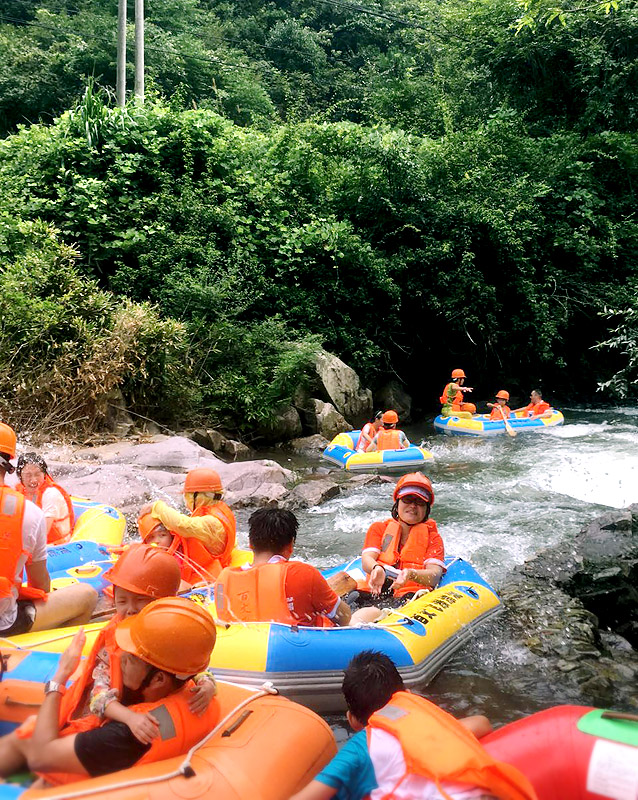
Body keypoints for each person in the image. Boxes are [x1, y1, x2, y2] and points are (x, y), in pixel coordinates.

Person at [11, 543, 216, 749]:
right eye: (122, 601)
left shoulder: (172, 629)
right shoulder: (113, 643)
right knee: (32, 744)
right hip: (119, 714)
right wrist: (129, 717)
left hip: (152, 704)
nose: (129, 610)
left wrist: (207, 684)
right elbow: (98, 696)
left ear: (162, 603)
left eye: (140, 601)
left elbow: (191, 666)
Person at [0, 597, 219, 785]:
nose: (121, 658)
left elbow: (40, 757)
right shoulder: (192, 690)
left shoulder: (128, 735)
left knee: (25, 737)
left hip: (79, 783)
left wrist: (60, 676)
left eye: (132, 658)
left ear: (159, 679)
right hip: (126, 767)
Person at [290, 651, 537, 800]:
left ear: (352, 720)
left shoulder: (357, 750)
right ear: (407, 694)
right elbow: (482, 723)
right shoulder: (424, 723)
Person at [0, 422, 97, 637]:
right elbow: (41, 585)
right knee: (87, 594)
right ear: (11, 466)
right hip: (5, 622)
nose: (33, 480)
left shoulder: (47, 497)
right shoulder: (28, 512)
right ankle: (51, 656)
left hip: (62, 542)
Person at [215, 508, 352, 627]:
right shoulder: (302, 573)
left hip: (238, 649)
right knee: (369, 613)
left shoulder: (223, 578)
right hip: (295, 650)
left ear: (250, 542)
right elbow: (344, 618)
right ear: (291, 545)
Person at [358, 473, 445, 611]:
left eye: (419, 502)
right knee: (353, 598)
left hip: (409, 596)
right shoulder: (379, 529)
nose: (413, 506)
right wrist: (376, 568)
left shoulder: (433, 538)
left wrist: (411, 574)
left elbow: (434, 575)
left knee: (374, 612)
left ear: (426, 509)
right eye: (407, 499)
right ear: (397, 502)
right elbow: (366, 559)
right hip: (376, 589)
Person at [138, 467, 236, 586]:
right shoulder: (218, 510)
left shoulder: (212, 523)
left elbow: (183, 525)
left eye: (188, 496)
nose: (186, 500)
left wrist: (156, 507)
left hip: (209, 578)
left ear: (198, 496)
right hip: (209, 567)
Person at [15, 453, 75, 545]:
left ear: (44, 474)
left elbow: (42, 533)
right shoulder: (19, 492)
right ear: (20, 476)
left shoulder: (51, 494)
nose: (33, 480)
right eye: (28, 475)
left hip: (56, 546)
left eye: (37, 474)